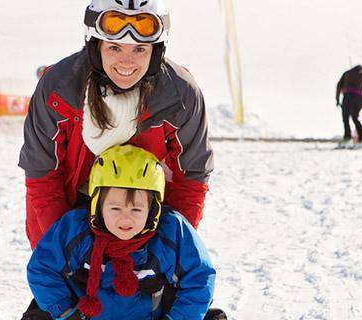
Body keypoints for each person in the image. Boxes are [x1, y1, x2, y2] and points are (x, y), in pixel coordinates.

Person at [18, 0, 213, 250]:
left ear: (156, 51)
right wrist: (62, 246)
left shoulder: (180, 95)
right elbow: (42, 173)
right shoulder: (59, 88)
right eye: (115, 48)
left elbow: (191, 177)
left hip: (142, 216)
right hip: (66, 209)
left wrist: (168, 247)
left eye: (140, 49)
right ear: (96, 46)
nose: (127, 62)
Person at [25, 145, 224, 320]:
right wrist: (65, 312)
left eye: (136, 210)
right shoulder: (77, 229)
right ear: (97, 205)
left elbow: (200, 278)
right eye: (115, 209)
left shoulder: (170, 230)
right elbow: (42, 268)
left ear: (153, 209)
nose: (126, 218)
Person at [335, 65, 362, 146]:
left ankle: (347, 139)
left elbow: (339, 86)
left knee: (345, 118)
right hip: (358, 98)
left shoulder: (347, 73)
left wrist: (337, 99)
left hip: (347, 96)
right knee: (355, 118)